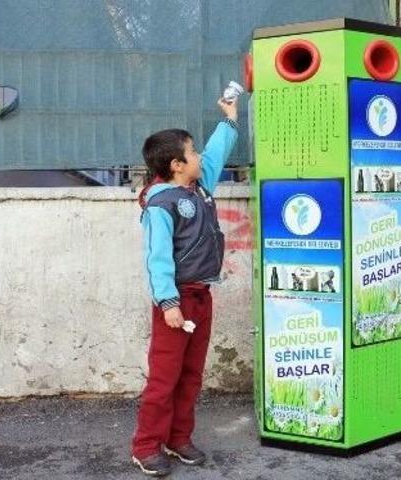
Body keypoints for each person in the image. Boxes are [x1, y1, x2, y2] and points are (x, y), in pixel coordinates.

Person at [131, 97, 239, 477]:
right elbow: (157, 258)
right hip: (176, 303)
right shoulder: (161, 204)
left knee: (191, 375)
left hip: (201, 297)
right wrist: (168, 303)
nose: (199, 157)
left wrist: (229, 121)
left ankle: (178, 438)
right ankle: (146, 446)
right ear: (177, 165)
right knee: (164, 379)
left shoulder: (199, 186)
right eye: (192, 152)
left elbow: (216, 153)